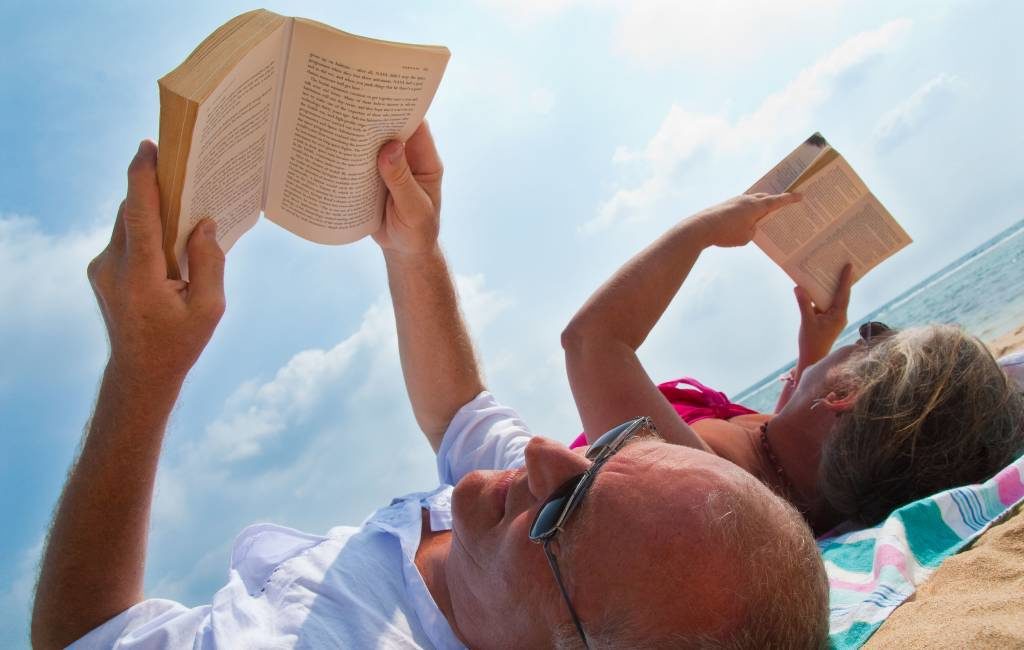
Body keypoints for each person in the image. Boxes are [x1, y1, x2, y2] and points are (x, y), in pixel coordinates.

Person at [30, 125, 829, 649]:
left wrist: (140, 373)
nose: (554, 451)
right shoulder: (536, 529)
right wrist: (412, 246)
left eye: (564, 510)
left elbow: (85, 635)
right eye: (617, 449)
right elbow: (462, 412)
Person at [561, 195, 1024, 534]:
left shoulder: (702, 481)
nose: (861, 334)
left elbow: (591, 341)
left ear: (843, 394)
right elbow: (795, 432)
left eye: (873, 336)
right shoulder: (813, 481)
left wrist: (701, 231)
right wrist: (812, 351)